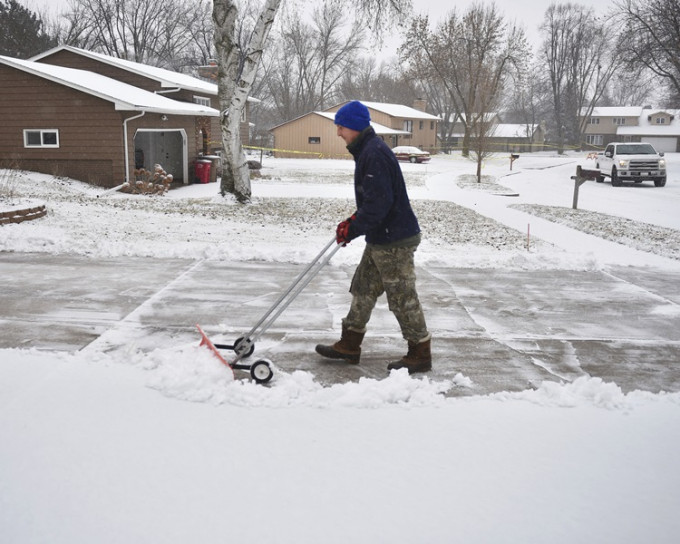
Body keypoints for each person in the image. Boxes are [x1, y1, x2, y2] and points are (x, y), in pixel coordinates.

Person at [315, 100, 432, 374]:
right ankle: (349, 344)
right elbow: (374, 202)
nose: (338, 133)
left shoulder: (374, 153)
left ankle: (420, 351)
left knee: (402, 296)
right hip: (382, 237)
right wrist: (353, 223)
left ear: (354, 127)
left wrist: (352, 227)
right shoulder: (368, 149)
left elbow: (378, 205)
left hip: (395, 240)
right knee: (364, 288)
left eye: (341, 127)